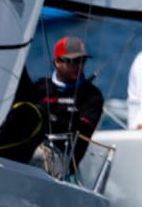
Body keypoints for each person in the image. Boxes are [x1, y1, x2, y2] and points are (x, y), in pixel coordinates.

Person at [34, 36, 104, 174]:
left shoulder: (92, 96)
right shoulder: (40, 87)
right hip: (34, 146)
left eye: (82, 61)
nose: (79, 66)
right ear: (57, 62)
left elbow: (81, 129)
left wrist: (49, 116)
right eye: (74, 61)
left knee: (33, 157)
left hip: (63, 159)